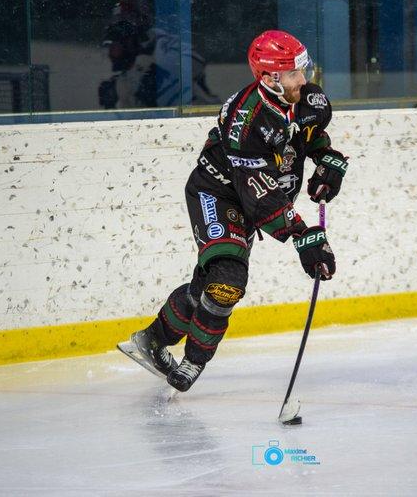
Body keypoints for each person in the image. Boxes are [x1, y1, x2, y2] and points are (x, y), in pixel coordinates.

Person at [118, 29, 349, 391]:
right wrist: (302, 235)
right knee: (227, 281)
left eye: (302, 70)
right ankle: (193, 362)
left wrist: (328, 160)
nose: (303, 80)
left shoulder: (305, 97)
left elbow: (309, 134)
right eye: (293, 73)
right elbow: (261, 194)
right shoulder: (247, 119)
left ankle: (150, 340)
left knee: (207, 287)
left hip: (251, 196)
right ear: (270, 78)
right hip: (218, 193)